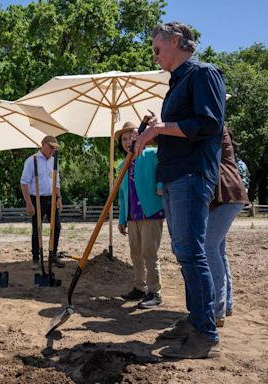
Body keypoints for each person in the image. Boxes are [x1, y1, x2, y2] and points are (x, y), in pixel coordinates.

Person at [135, 22, 226, 359]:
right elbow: (179, 128)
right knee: (185, 253)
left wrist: (161, 127)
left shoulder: (203, 74)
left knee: (192, 253)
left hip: (191, 174)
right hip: (174, 176)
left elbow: (209, 123)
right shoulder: (177, 83)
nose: (155, 56)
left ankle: (205, 335)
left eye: (158, 49)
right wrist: (155, 130)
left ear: (175, 42)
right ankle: (195, 321)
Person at [116, 122, 165, 308]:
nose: (128, 142)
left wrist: (160, 186)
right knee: (135, 253)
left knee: (149, 252)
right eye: (124, 139)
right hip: (132, 215)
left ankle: (155, 292)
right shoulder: (122, 164)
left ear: (141, 137)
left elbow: (166, 168)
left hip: (150, 212)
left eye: (131, 137)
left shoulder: (152, 154)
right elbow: (121, 195)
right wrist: (122, 218)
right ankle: (139, 287)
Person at [205, 127, 249, 327]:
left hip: (227, 196)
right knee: (219, 250)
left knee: (209, 247)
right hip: (229, 195)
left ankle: (217, 310)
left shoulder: (214, 129)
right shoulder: (219, 130)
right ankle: (226, 305)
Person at [20, 135, 64, 268]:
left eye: (54, 148)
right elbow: (24, 183)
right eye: (50, 147)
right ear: (42, 145)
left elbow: (56, 181)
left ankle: (53, 254)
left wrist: (59, 198)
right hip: (36, 199)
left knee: (56, 227)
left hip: (51, 198)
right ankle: (35, 258)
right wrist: (29, 203)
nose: (52, 150)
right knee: (37, 229)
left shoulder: (54, 161)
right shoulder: (31, 160)